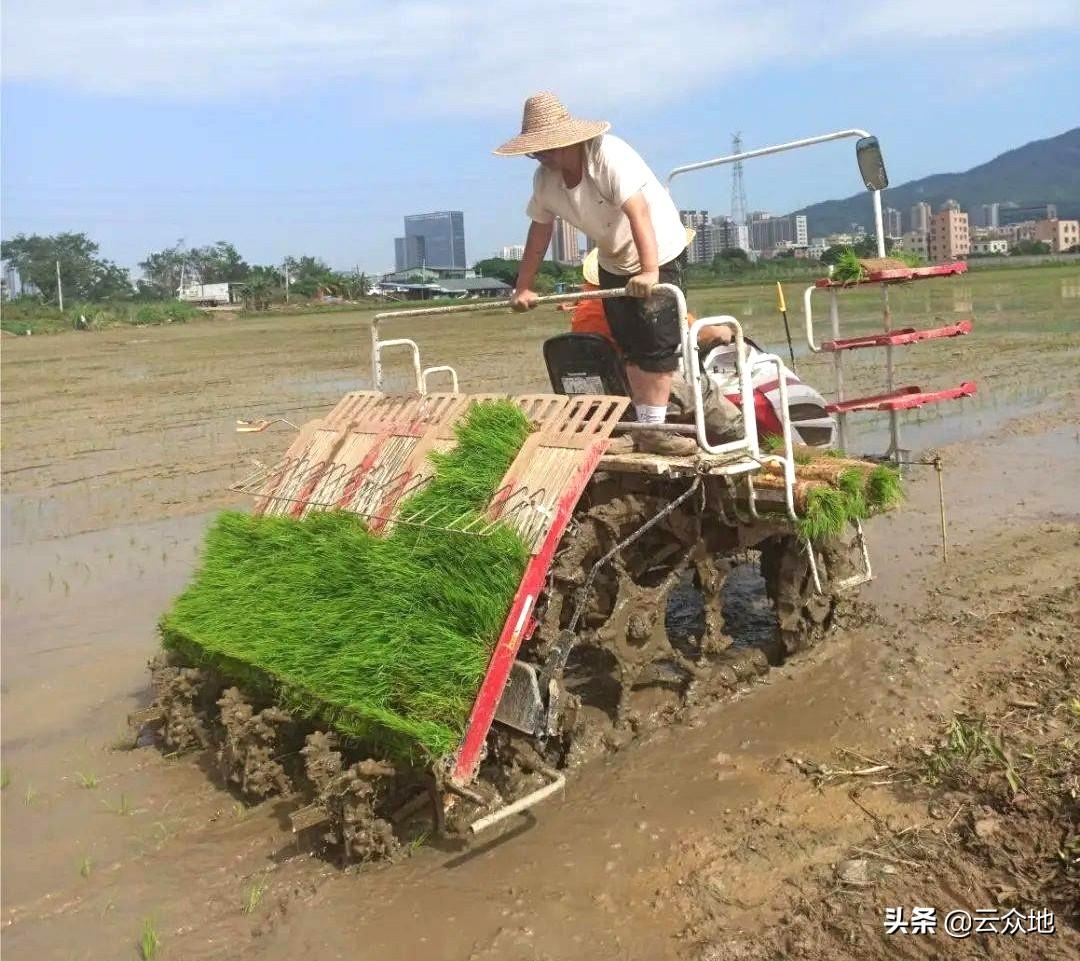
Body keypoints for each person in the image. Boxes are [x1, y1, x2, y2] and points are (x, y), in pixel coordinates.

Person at [495, 92, 699, 455]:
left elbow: (639, 212)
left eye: (551, 148)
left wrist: (650, 271)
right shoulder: (545, 182)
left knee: (657, 344)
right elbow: (539, 232)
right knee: (629, 345)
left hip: (659, 249)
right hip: (613, 260)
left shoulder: (608, 156)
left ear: (571, 140)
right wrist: (523, 286)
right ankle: (645, 428)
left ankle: (653, 430)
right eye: (538, 151)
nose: (545, 157)